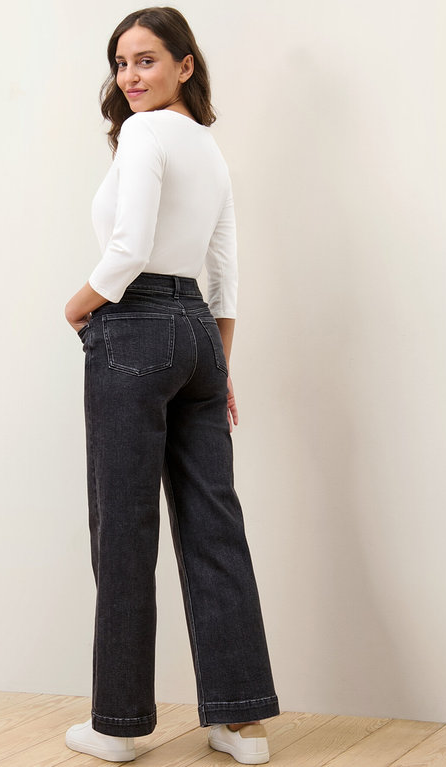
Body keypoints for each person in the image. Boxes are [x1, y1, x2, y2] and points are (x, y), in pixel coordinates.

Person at [64, 7, 279, 764]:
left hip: (136, 325)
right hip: (196, 333)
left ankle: (120, 725)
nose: (131, 76)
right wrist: (220, 364)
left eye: (147, 60)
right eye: (122, 63)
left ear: (186, 65)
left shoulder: (147, 135)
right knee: (214, 524)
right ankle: (238, 722)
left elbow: (127, 245)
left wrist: (80, 301)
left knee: (123, 528)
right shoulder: (209, 150)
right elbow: (224, 270)